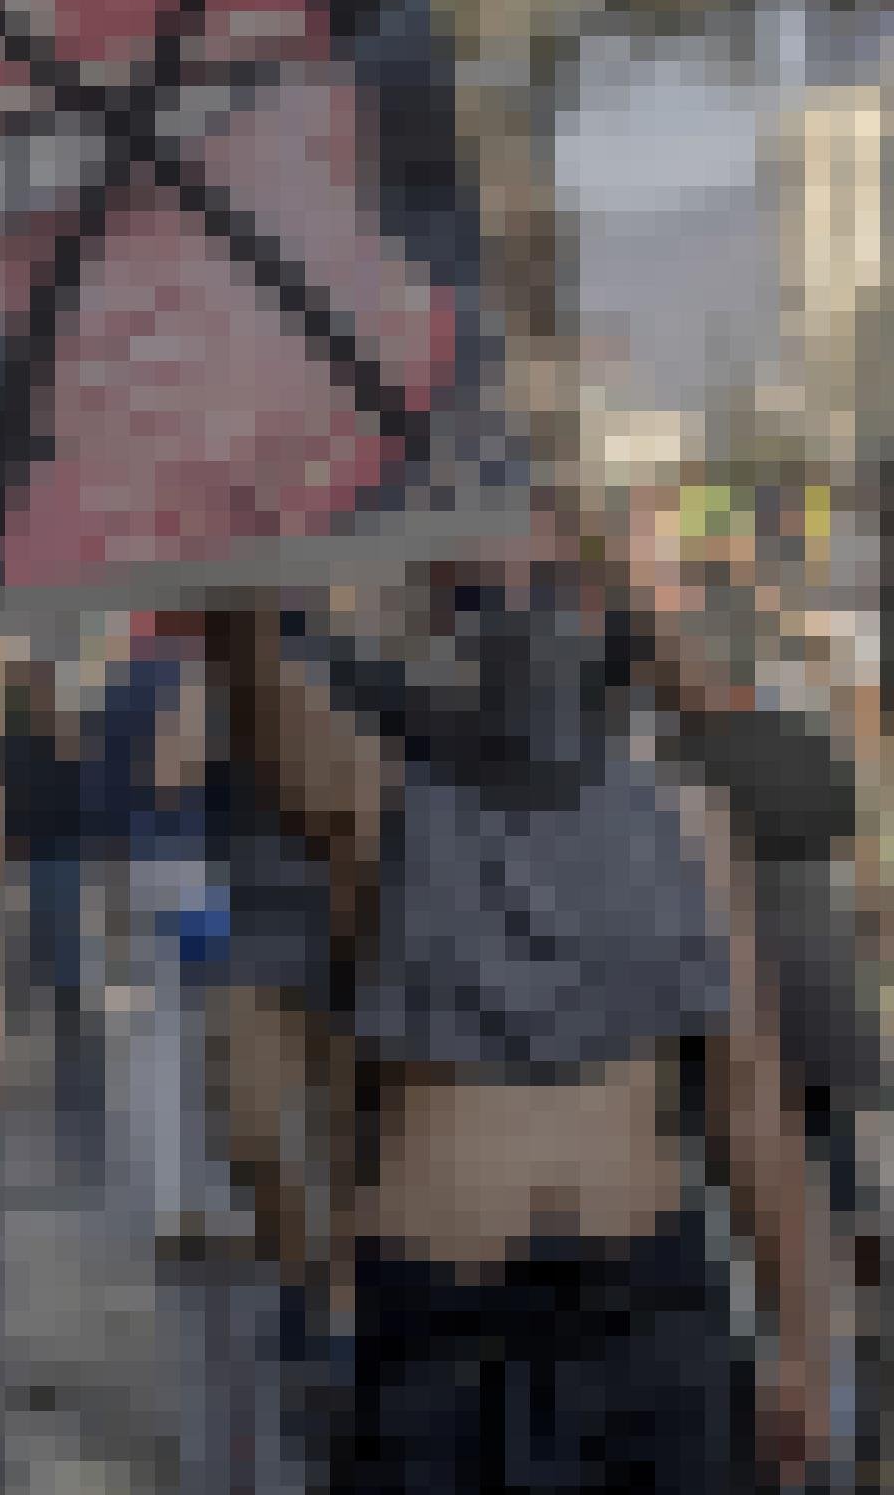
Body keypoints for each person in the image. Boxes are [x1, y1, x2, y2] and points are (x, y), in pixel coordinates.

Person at [228, 546, 836, 1493]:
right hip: (448, 1328)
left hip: (650, 1316)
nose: (514, 619)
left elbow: (751, 1103)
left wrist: (800, 1342)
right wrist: (241, 610)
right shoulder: (383, 809)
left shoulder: (687, 820)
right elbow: (275, 728)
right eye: (470, 594)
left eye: (543, 586)